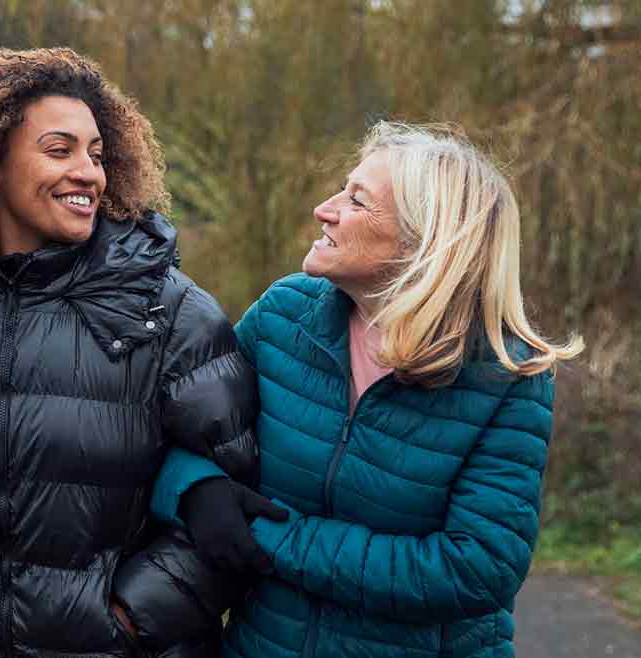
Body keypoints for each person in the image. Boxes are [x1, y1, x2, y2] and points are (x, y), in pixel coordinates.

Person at [0, 47, 274, 658]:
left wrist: (124, 621)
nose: (88, 173)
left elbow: (235, 501)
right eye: (60, 150)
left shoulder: (169, 312)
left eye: (97, 154)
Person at [151, 122, 584, 658]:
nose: (324, 210)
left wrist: (270, 538)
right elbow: (182, 437)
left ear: (426, 240)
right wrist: (194, 490)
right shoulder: (283, 315)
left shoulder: (508, 376)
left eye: (357, 201)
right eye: (342, 190)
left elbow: (477, 568)